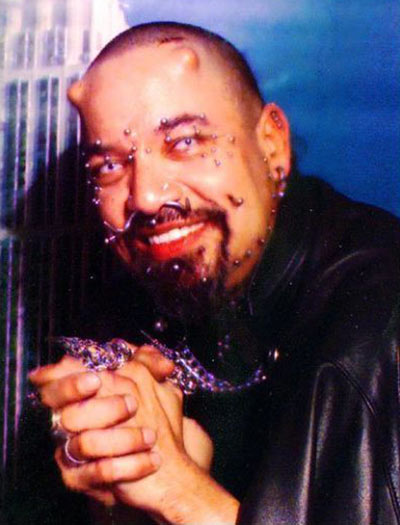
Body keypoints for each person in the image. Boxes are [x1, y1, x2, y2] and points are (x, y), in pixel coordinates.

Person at [28, 22, 400, 524]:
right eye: (108, 168)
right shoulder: (124, 316)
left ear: (272, 145)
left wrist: (178, 493)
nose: (146, 196)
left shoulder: (379, 324)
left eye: (184, 142)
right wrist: (106, 475)